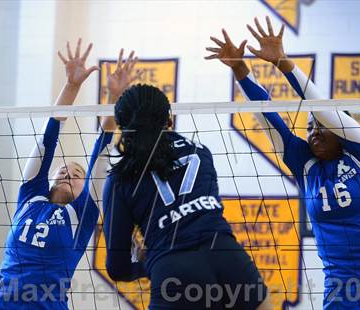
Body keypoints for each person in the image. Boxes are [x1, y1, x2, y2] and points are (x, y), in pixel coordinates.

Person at [206, 16, 360, 309]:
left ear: (341, 128)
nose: (313, 132)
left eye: (320, 125)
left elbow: (323, 109)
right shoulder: (306, 166)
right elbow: (270, 119)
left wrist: (283, 62)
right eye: (308, 127)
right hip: (340, 295)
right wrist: (240, 69)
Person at [0, 40, 135, 309]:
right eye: (63, 169)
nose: (69, 171)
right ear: (49, 179)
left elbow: (101, 149)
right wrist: (71, 86)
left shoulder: (83, 213)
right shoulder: (30, 196)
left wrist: (114, 99)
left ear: (85, 188)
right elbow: (48, 137)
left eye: (78, 173)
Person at [102, 84, 270, 308]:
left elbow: (117, 268)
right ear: (169, 118)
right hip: (227, 256)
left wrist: (148, 260)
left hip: (174, 271)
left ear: (123, 127)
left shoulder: (119, 179)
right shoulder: (201, 151)